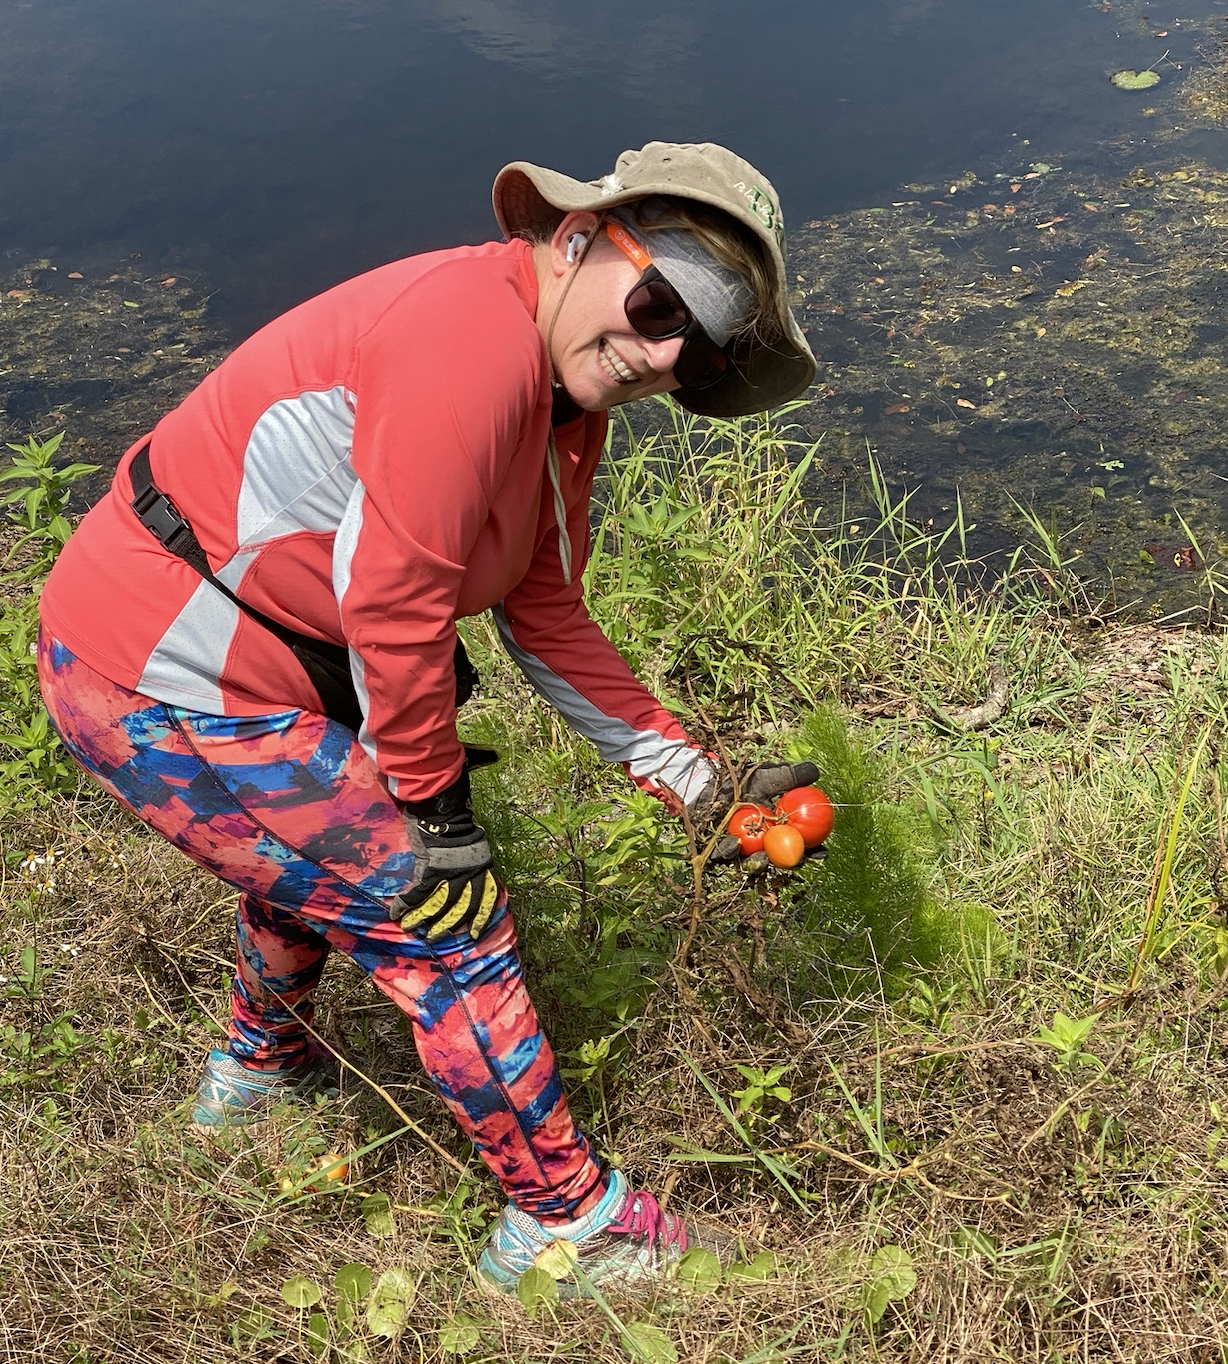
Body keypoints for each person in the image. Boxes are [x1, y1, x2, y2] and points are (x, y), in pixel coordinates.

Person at [37, 141, 817, 1296]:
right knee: (437, 909)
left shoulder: (562, 405)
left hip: (259, 676)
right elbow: (394, 598)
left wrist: (701, 783)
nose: (660, 353)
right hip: (153, 671)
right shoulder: (468, 338)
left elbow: (544, 611)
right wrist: (436, 811)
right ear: (575, 238)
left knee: (312, 856)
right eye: (660, 302)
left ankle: (258, 1073)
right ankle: (560, 1220)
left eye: (696, 346)